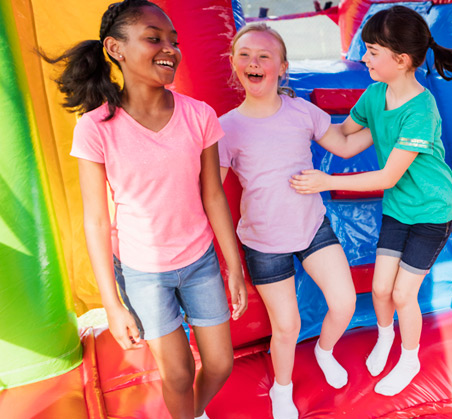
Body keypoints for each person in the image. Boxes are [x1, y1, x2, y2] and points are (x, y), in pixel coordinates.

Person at [44, 1, 248, 418]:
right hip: (142, 271)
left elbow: (213, 196)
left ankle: (191, 412)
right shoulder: (96, 127)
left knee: (221, 364)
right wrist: (112, 304)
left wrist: (234, 266)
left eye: (174, 41)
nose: (169, 48)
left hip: (199, 260)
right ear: (115, 49)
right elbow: (97, 219)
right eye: (154, 38)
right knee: (177, 374)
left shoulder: (199, 116)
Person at [289, 5, 452, 397]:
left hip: (431, 211)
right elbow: (343, 142)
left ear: (402, 59)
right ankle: (385, 334)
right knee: (379, 289)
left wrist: (326, 180)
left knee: (403, 293)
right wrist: (296, 112)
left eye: (373, 52)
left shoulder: (421, 109)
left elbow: (388, 175)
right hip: (399, 208)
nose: (363, 58)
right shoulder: (376, 96)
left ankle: (409, 360)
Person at [218, 23, 362, 419]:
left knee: (345, 301)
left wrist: (392, 125)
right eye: (245, 54)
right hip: (263, 242)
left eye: (265, 56)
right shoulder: (227, 127)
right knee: (286, 326)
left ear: (282, 68)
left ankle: (325, 350)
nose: (254, 62)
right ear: (233, 65)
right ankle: (283, 388)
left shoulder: (301, 111)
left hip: (312, 227)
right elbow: (213, 193)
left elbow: (346, 144)